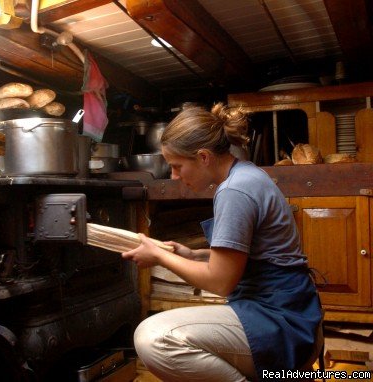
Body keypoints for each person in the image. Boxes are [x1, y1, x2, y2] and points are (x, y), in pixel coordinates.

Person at [121, 103, 323, 381]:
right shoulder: (246, 173)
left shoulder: (235, 190)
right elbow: (248, 258)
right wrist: (192, 255)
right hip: (289, 310)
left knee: (153, 338)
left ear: (203, 157)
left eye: (177, 167)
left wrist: (158, 256)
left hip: (282, 322)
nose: (174, 177)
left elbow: (220, 282)